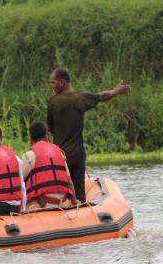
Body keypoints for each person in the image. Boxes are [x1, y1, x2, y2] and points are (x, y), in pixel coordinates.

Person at [47, 67, 131, 202]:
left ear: (62, 82)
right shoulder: (81, 98)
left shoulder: (53, 102)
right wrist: (116, 91)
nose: (52, 86)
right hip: (77, 155)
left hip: (60, 158)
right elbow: (102, 96)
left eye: (53, 82)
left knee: (63, 193)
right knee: (79, 195)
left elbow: (50, 128)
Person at [22, 122, 76, 210]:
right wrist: (75, 201)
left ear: (30, 138)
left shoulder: (29, 155)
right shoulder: (59, 152)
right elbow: (70, 183)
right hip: (64, 203)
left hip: (42, 205)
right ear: (46, 136)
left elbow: (18, 182)